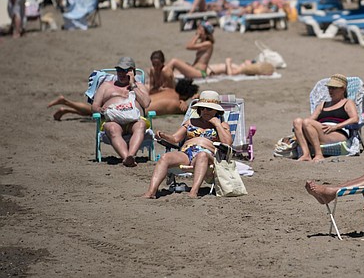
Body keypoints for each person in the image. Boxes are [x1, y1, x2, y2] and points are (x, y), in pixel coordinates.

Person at [142, 90, 232, 199]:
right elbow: (175, 138)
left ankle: (193, 192)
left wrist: (217, 124)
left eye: (209, 109)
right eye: (202, 108)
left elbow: (227, 143)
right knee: (165, 157)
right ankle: (151, 192)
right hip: (186, 153)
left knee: (202, 155)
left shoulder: (222, 125)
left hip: (207, 155)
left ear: (216, 110)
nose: (205, 111)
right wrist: (164, 135)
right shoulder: (191, 121)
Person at [91, 57, 151, 167]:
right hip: (114, 121)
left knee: (141, 125)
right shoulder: (106, 86)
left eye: (125, 70)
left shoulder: (139, 86)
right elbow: (95, 105)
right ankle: (126, 158)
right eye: (119, 70)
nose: (121, 74)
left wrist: (133, 85)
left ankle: (130, 156)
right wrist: (99, 110)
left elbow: (146, 103)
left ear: (132, 71)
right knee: (113, 129)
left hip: (133, 121)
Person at [48, 78, 199, 120]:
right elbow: (190, 110)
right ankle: (66, 103)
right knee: (99, 113)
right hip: (135, 108)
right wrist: (193, 99)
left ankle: (66, 108)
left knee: (100, 109)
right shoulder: (178, 104)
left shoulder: (169, 90)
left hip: (134, 96)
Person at [293, 74, 358, 162]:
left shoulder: (347, 103)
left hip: (338, 132)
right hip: (322, 130)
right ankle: (306, 154)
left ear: (343, 89)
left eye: (334, 88)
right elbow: (311, 119)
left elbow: (355, 119)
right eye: (329, 88)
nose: (331, 91)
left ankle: (319, 154)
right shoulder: (323, 104)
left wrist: (336, 126)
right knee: (297, 121)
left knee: (307, 122)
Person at [205, 57, 275, 77]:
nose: (249, 60)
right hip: (210, 69)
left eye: (252, 62)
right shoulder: (239, 67)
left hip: (209, 70)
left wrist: (228, 63)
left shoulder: (240, 69)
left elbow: (231, 74)